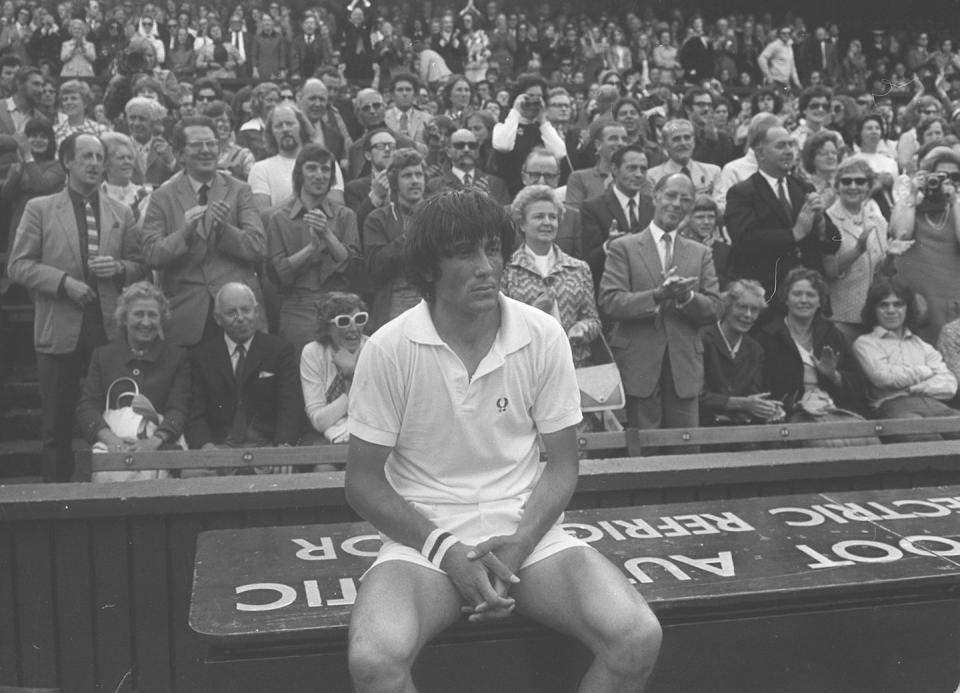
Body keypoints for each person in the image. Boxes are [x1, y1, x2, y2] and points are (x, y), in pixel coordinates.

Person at [344, 189, 661, 693]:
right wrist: (445, 549)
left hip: (528, 537)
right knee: (375, 663)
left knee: (638, 636)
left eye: (493, 249)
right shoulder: (388, 348)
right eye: (465, 252)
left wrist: (518, 545)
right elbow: (362, 482)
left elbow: (561, 465)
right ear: (428, 269)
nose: (487, 267)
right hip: (424, 544)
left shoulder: (544, 334)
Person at [7, 132, 145, 481]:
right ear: (66, 162)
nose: (95, 164)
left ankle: (113, 492)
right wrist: (63, 283)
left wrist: (119, 268)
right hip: (59, 327)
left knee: (114, 417)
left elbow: (139, 264)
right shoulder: (39, 208)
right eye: (86, 157)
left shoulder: (121, 211)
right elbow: (18, 265)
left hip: (108, 328)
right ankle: (57, 500)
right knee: (56, 423)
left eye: (100, 157)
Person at [598, 173, 720, 431]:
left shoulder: (701, 253)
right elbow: (610, 302)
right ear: (655, 197)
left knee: (685, 450)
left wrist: (686, 297)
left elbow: (714, 309)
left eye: (685, 199)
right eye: (671, 196)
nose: (677, 204)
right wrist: (657, 295)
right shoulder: (624, 247)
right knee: (642, 452)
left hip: (683, 366)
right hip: (638, 365)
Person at [140, 115, 266, 347]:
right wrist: (184, 233)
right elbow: (150, 255)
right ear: (179, 154)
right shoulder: (161, 197)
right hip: (186, 317)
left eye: (211, 144)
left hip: (236, 312)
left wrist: (224, 230)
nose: (206, 150)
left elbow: (258, 247)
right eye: (197, 145)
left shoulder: (240, 190)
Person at [725, 120, 840, 301]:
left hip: (807, 293)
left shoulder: (804, 188)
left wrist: (820, 222)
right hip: (767, 295)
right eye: (780, 146)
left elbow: (835, 241)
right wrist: (793, 234)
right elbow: (744, 240)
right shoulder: (742, 193)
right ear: (760, 153)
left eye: (791, 145)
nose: (788, 151)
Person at [186, 282, 303, 454]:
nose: (240, 318)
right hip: (218, 449)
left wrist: (283, 445)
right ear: (217, 319)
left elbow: (290, 404)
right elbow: (195, 411)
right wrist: (206, 446)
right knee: (193, 477)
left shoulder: (279, 350)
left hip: (268, 447)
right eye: (231, 312)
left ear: (256, 312)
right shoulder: (202, 356)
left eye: (246, 310)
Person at [76, 281, 189, 453]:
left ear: (162, 318)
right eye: (138, 314)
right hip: (113, 447)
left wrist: (153, 442)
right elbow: (87, 408)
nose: (146, 322)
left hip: (160, 448)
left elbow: (179, 409)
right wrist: (111, 440)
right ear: (124, 318)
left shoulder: (176, 357)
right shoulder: (103, 356)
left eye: (153, 315)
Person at [266, 144, 360, 352]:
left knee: (342, 373)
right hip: (297, 306)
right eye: (312, 168)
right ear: (300, 173)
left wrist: (327, 234)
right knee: (299, 372)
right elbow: (278, 274)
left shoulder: (345, 215)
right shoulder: (279, 218)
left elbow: (353, 266)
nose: (320, 175)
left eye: (326, 169)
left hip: (340, 307)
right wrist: (311, 249)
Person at [501, 184, 599, 368]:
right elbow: (498, 323)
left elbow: (593, 319)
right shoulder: (507, 268)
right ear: (522, 223)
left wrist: (583, 328)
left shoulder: (579, 268)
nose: (547, 222)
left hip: (572, 365)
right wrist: (535, 310)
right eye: (539, 216)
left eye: (552, 217)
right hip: (524, 365)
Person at [756, 267, 867, 423]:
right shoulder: (769, 337)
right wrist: (792, 404)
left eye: (810, 295)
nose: (803, 300)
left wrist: (833, 376)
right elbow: (762, 387)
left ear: (820, 301)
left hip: (834, 409)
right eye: (797, 294)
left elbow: (859, 385)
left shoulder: (833, 335)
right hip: (791, 414)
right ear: (785, 299)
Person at [822, 158, 912, 344]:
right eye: (846, 181)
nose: (853, 186)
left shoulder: (877, 221)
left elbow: (883, 275)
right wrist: (857, 250)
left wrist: (890, 257)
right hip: (840, 317)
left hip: (872, 316)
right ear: (837, 186)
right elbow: (828, 271)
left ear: (868, 186)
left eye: (860, 181)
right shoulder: (827, 220)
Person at [854, 278, 958, 438]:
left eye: (898, 304)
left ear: (907, 308)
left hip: (934, 403)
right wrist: (925, 372)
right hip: (893, 407)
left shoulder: (921, 345)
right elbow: (883, 377)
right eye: (884, 305)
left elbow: (950, 384)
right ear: (873, 310)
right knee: (926, 439)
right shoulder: (866, 343)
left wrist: (912, 389)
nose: (891, 310)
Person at [890, 146, 960, 344]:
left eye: (956, 177)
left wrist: (954, 199)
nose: (949, 181)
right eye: (942, 175)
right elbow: (901, 235)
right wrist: (913, 194)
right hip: (921, 302)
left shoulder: (957, 206)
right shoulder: (908, 204)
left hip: (953, 301)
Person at [700, 279, 784, 427]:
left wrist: (767, 408)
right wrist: (741, 404)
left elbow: (754, 394)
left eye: (755, 310)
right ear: (727, 307)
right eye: (742, 307)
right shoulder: (703, 339)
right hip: (705, 423)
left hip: (741, 425)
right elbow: (698, 395)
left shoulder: (755, 349)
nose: (748, 315)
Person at [363, 148, 425, 330]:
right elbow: (377, 267)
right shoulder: (377, 219)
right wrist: (410, 235)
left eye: (419, 175)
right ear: (395, 182)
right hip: (394, 302)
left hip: (435, 299)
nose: (415, 181)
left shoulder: (439, 213)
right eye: (407, 176)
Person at [580, 143, 655, 287]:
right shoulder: (592, 208)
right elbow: (587, 261)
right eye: (632, 168)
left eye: (643, 169)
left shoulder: (653, 207)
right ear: (614, 169)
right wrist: (608, 246)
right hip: (610, 289)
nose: (639, 174)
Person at [300, 291, 368, 447]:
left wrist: (352, 372)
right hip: (326, 437)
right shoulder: (313, 353)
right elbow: (319, 421)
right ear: (327, 327)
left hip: (368, 436)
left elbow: (375, 414)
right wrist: (351, 386)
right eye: (344, 321)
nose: (354, 328)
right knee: (324, 468)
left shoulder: (374, 349)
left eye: (359, 319)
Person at [492, 73, 567, 196]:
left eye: (539, 97)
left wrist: (543, 119)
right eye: (530, 96)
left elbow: (559, 153)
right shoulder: (503, 126)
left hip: (540, 193)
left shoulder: (544, 129)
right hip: (508, 193)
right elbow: (503, 146)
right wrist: (516, 110)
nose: (534, 101)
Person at [1, 118, 65, 247]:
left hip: (45, 224)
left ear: (50, 141)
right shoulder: (18, 165)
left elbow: (42, 186)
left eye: (43, 136)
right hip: (19, 224)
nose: (38, 140)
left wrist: (27, 156)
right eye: (33, 136)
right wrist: (17, 172)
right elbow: (4, 198)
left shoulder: (57, 166)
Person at [646, 118, 723, 212]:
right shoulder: (652, 177)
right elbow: (657, 211)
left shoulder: (713, 172)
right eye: (676, 139)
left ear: (694, 142)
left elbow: (720, 208)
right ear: (666, 145)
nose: (683, 143)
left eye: (687, 138)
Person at [521, 147, 583, 258]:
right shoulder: (507, 215)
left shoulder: (573, 217)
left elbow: (580, 259)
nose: (541, 182)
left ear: (557, 179)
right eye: (535, 175)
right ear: (524, 177)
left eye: (548, 176)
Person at [426, 127, 510, 205]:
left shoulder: (495, 184)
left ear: (477, 150)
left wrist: (488, 200)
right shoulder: (434, 185)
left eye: (472, 146)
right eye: (460, 145)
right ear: (448, 151)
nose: (467, 150)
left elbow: (505, 217)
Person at [565, 118, 628, 209]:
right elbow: (574, 216)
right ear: (598, 145)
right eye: (613, 138)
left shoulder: (639, 178)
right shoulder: (579, 178)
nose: (620, 143)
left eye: (624, 139)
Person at [680, 195, 734, 290]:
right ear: (688, 220)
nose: (706, 222)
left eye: (711, 217)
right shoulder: (680, 248)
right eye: (700, 217)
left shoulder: (725, 251)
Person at [99, 131, 153, 221]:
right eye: (121, 158)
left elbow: (147, 230)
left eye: (130, 158)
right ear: (106, 164)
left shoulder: (144, 194)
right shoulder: (97, 194)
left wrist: (135, 213)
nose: (127, 162)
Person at [124, 97, 177, 187]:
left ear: (154, 122)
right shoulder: (121, 147)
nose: (136, 123)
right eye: (132, 118)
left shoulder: (166, 149)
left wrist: (171, 162)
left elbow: (183, 181)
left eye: (142, 119)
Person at [202, 99, 255, 182]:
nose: (220, 124)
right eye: (215, 121)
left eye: (224, 121)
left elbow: (253, 185)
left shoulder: (244, 156)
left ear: (231, 123)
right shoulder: (200, 154)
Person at [53, 79, 109, 146]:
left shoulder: (99, 130)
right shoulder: (55, 131)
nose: (68, 102)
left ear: (85, 103)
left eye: (73, 98)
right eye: (65, 99)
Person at [384, 72, 432, 145]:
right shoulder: (383, 119)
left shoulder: (427, 119)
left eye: (408, 89)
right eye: (400, 90)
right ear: (392, 95)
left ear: (415, 94)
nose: (404, 93)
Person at [799, 129, 843, 197]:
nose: (831, 157)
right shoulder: (804, 187)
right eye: (824, 153)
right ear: (811, 158)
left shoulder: (844, 184)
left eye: (834, 153)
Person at [758, 26, 801, 92]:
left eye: (788, 33)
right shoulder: (774, 45)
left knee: (788, 99)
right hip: (775, 82)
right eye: (784, 33)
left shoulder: (789, 46)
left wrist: (797, 82)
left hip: (785, 84)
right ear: (779, 35)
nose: (786, 35)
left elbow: (792, 66)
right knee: (776, 99)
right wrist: (768, 76)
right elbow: (761, 59)